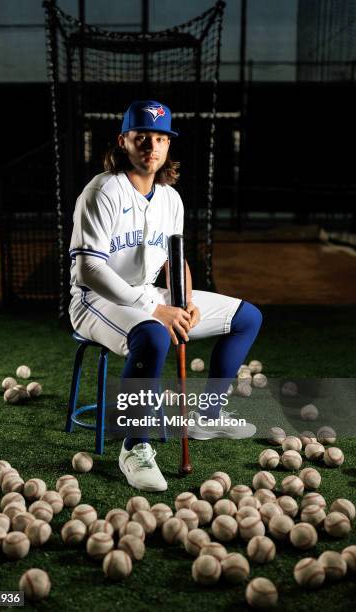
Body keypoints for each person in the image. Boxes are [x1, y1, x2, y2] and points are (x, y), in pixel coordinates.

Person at [69, 100, 262, 492]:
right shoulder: (102, 191)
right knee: (154, 334)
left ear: (168, 146)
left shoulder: (170, 198)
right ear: (124, 140)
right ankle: (134, 446)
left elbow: (174, 261)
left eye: (160, 138)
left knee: (247, 317)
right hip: (95, 300)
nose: (151, 147)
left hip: (146, 294)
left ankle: (207, 416)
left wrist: (185, 299)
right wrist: (158, 309)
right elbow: (89, 269)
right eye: (142, 137)